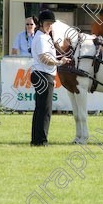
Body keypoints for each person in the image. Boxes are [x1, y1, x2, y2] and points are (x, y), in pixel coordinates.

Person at [30, 10, 71, 146]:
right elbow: (44, 58)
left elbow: (49, 56)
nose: (50, 26)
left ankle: (37, 139)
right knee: (45, 110)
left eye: (51, 24)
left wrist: (60, 58)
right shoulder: (41, 38)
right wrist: (59, 62)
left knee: (41, 109)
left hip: (43, 74)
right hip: (43, 74)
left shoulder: (45, 36)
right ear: (41, 24)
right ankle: (41, 140)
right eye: (47, 23)